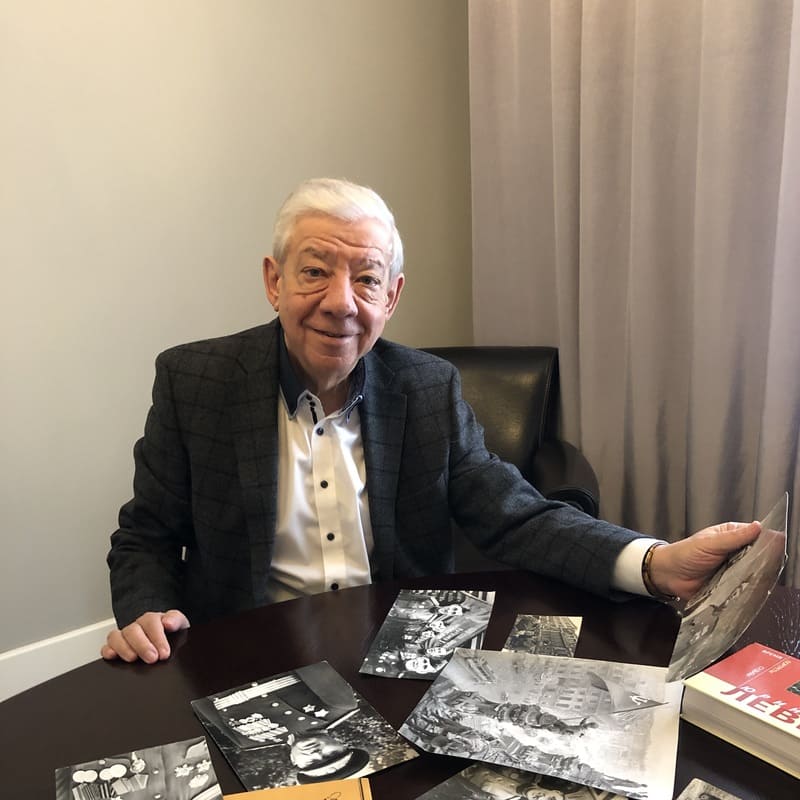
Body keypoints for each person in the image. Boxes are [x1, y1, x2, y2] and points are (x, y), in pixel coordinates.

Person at [102, 177, 762, 664]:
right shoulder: (196, 382)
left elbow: (514, 515)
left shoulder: (427, 388)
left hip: (398, 654)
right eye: (315, 272)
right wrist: (147, 613)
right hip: (252, 655)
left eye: (367, 279)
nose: (341, 303)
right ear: (275, 281)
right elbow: (146, 536)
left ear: (391, 296)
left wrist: (655, 563)